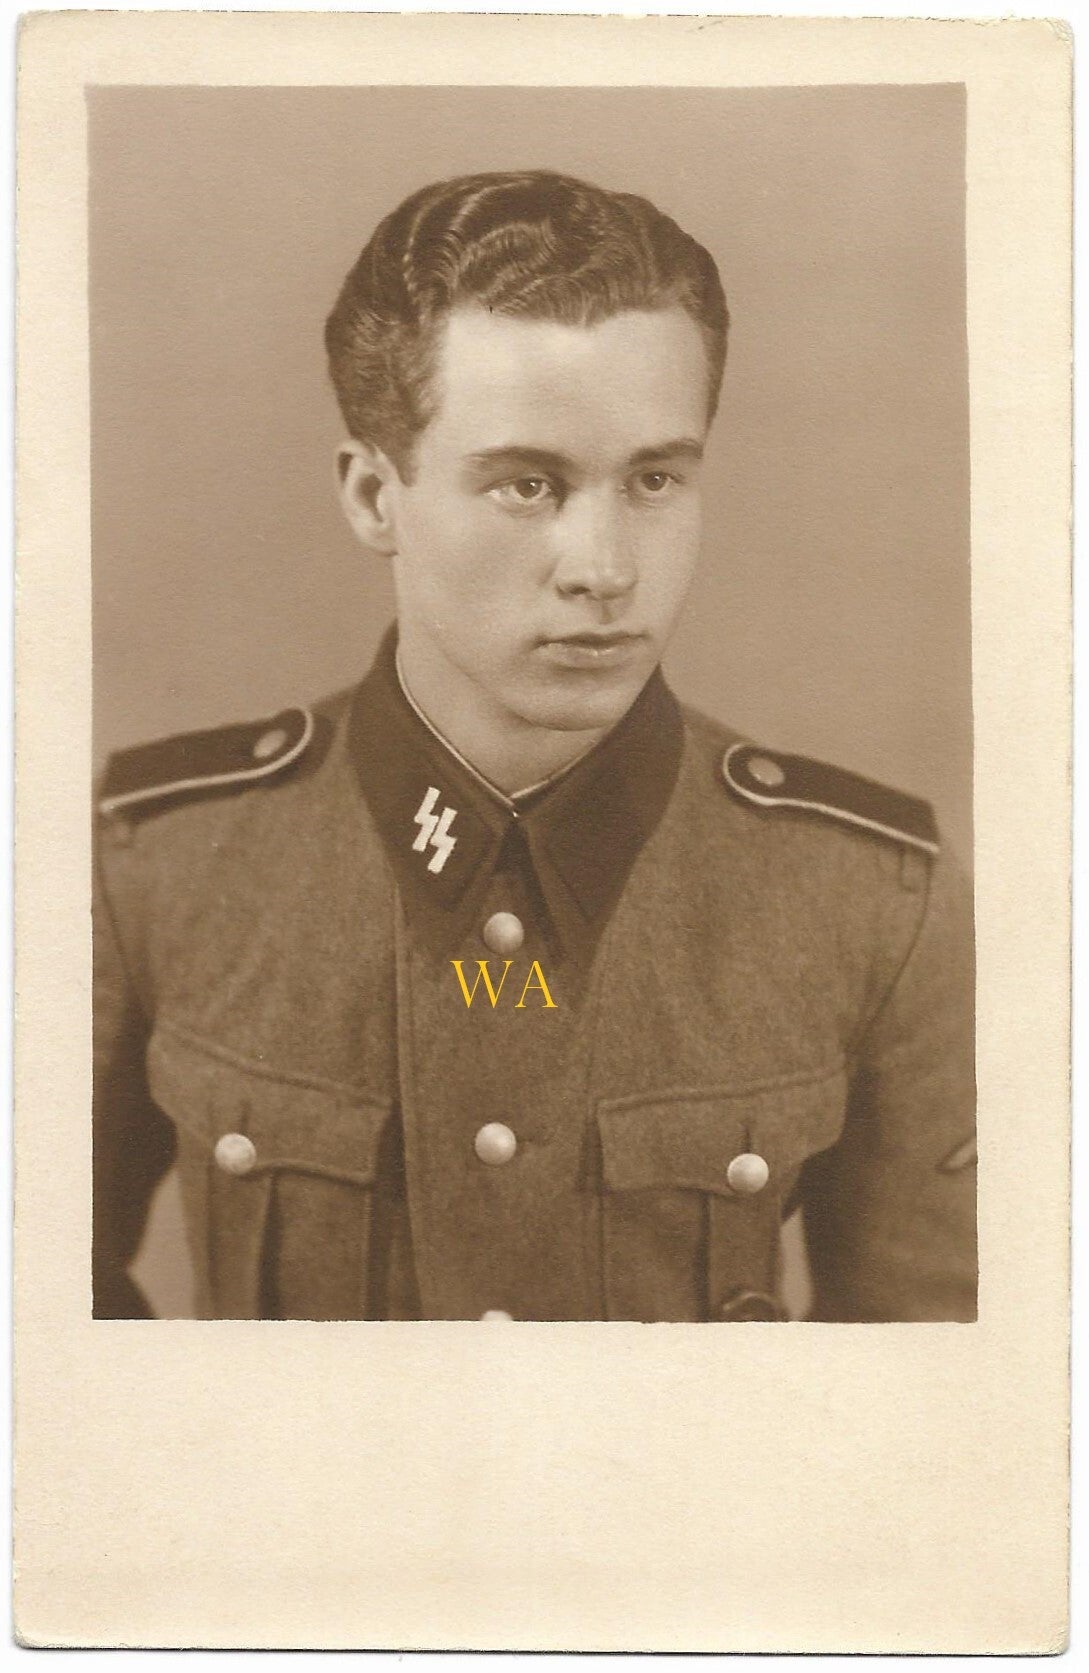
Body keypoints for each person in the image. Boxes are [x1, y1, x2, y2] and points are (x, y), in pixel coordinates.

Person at [93, 169, 976, 1323]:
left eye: (655, 478)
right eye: (527, 485)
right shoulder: (163, 865)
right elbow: (43, 1364)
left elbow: (940, 1395)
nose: (603, 566)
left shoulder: (867, 898)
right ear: (373, 496)